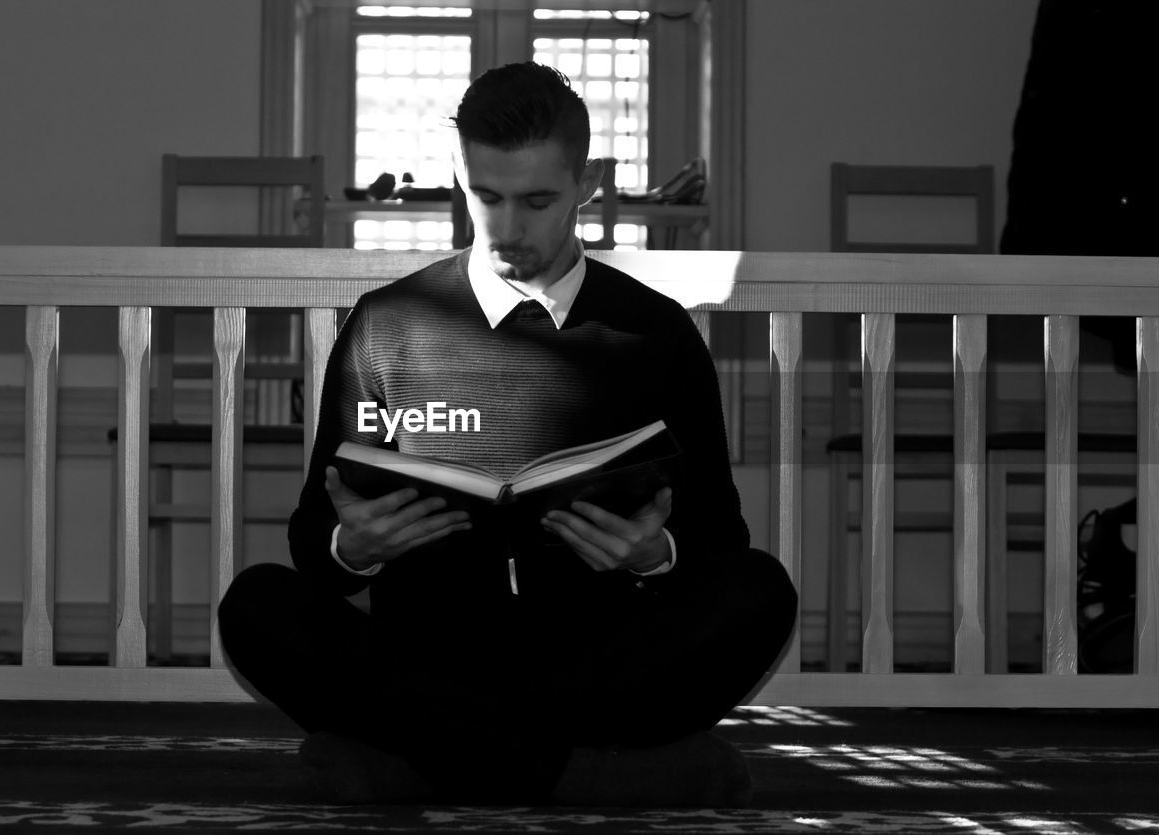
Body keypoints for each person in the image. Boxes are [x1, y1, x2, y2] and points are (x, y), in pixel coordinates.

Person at [218, 61, 797, 806]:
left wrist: (656, 553)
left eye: (537, 200)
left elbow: (720, 538)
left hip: (595, 660)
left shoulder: (657, 334)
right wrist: (351, 546)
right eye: (484, 196)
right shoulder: (386, 325)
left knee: (761, 593)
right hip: (432, 655)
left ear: (585, 184)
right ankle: (591, 773)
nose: (508, 228)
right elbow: (315, 541)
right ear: (459, 174)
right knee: (256, 606)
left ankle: (420, 763)